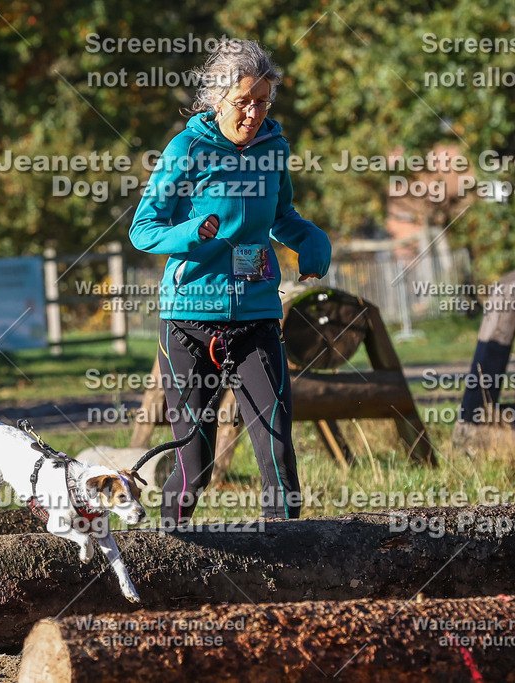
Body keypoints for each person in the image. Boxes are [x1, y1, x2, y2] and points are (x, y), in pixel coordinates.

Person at [129, 40, 331, 526]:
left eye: (263, 101)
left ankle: (290, 563)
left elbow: (282, 216)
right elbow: (143, 228)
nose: (255, 113)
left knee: (277, 450)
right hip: (189, 324)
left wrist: (311, 238)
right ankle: (171, 554)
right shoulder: (187, 149)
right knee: (192, 464)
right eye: (244, 102)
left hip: (257, 315)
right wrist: (189, 234)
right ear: (218, 101)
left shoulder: (274, 148)